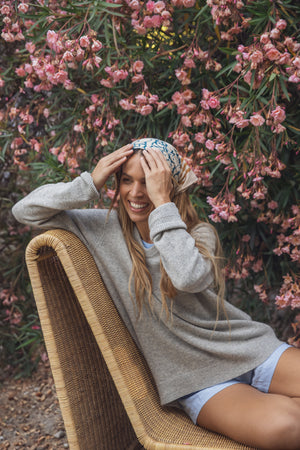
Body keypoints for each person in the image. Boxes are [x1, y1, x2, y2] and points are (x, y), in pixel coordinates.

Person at [12, 138, 300, 450]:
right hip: (196, 379)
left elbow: (187, 276)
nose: (136, 193)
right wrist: (90, 182)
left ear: (169, 187)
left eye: (149, 183)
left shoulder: (196, 233)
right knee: (287, 426)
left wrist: (163, 205)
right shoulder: (101, 231)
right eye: (126, 180)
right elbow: (24, 211)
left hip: (248, 349)